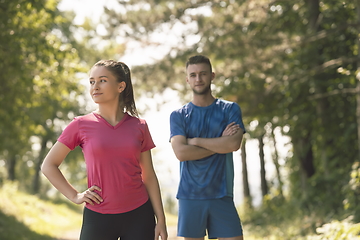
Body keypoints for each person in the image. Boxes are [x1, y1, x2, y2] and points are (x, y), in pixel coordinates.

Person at [41, 60, 168, 240]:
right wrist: (75, 196)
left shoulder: (139, 126)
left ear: (121, 86)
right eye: (92, 82)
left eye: (102, 80)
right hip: (98, 216)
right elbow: (49, 165)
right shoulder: (80, 125)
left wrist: (161, 219)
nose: (95, 87)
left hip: (139, 214)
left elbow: (148, 175)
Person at [169, 55, 245, 240]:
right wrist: (220, 143)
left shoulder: (230, 109)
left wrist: (195, 141)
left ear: (212, 76)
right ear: (187, 79)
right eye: (193, 75)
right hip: (190, 196)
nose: (198, 79)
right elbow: (181, 153)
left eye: (203, 74)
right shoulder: (178, 115)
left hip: (222, 193)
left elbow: (234, 143)